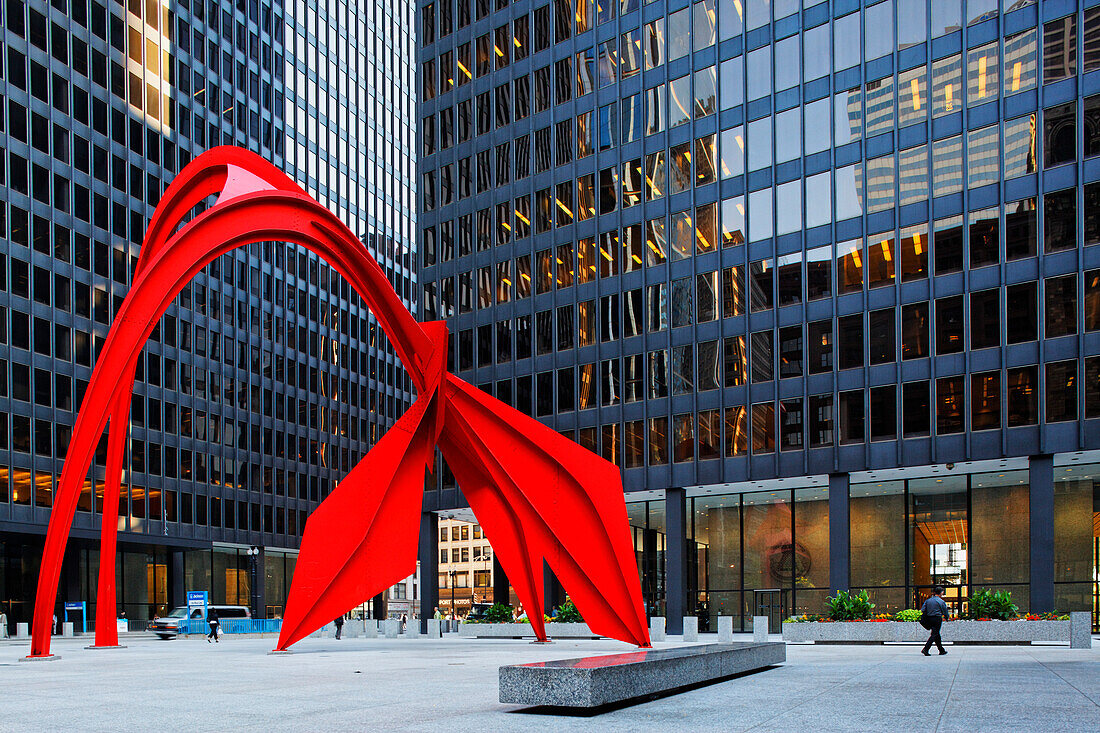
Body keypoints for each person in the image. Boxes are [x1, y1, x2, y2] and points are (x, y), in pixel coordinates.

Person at [920, 585, 949, 656]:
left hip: (929, 618)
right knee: (934, 634)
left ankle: (941, 650)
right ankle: (926, 649)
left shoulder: (928, 601)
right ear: (941, 592)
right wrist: (946, 617)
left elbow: (923, 610)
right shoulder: (941, 601)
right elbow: (945, 611)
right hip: (937, 618)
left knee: (936, 634)